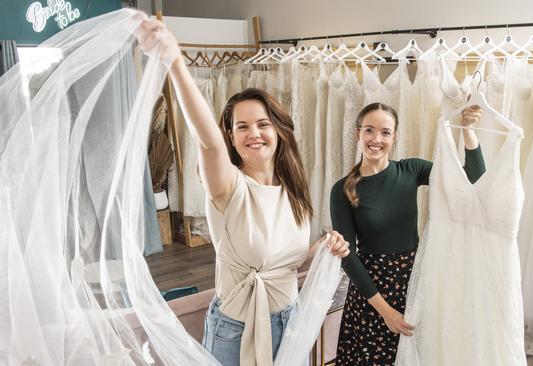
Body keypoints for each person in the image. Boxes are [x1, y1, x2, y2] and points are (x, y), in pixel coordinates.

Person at [136, 19, 350, 366]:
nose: (255, 133)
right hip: (237, 329)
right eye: (242, 127)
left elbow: (287, 263)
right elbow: (206, 141)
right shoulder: (228, 186)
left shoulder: (292, 188)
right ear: (231, 137)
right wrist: (175, 63)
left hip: (288, 320)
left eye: (263, 124)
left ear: (278, 130)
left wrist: (324, 249)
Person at [330, 102, 484, 365]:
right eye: (369, 130)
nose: (376, 139)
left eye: (385, 132)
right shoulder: (342, 189)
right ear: (358, 134)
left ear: (395, 136)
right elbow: (348, 257)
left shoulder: (411, 170)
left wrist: (468, 129)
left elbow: (473, 177)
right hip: (370, 293)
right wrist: (386, 312)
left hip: (413, 283)